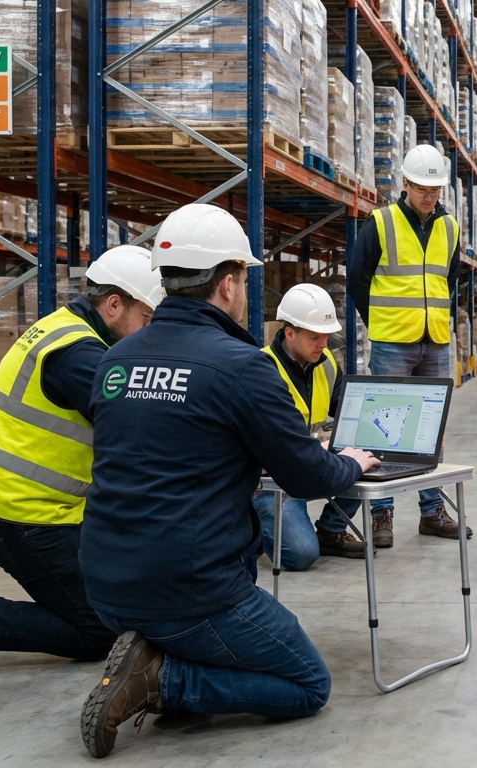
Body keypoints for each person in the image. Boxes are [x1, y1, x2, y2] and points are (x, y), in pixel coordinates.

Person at [75, 204, 378, 758]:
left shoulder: (115, 360)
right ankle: (161, 680)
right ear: (227, 283)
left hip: (103, 583)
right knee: (310, 684)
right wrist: (352, 462)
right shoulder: (242, 365)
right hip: (187, 590)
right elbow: (307, 476)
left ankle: (154, 655)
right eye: (240, 277)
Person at [0, 246, 163, 678]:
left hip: (34, 506)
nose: (149, 334)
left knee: (120, 595)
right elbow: (140, 425)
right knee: (98, 631)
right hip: (16, 516)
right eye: (147, 321)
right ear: (114, 305)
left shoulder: (65, 329)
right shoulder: (80, 357)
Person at [341, 142, 469, 543]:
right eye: (422, 190)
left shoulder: (450, 227)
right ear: (406, 184)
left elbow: (451, 280)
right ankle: (382, 515)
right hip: (392, 341)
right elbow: (357, 281)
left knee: (431, 430)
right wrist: (381, 321)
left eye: (435, 191)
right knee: (385, 431)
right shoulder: (380, 223)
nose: (429, 198)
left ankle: (432, 511)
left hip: (435, 341)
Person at [254, 283, 351, 567]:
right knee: (301, 555)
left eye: (325, 336)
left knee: (364, 458)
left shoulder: (327, 363)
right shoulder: (261, 369)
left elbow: (345, 412)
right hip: (270, 481)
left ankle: (331, 530)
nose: (322, 345)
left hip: (307, 465)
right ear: (290, 333)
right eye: (314, 337)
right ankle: (252, 527)